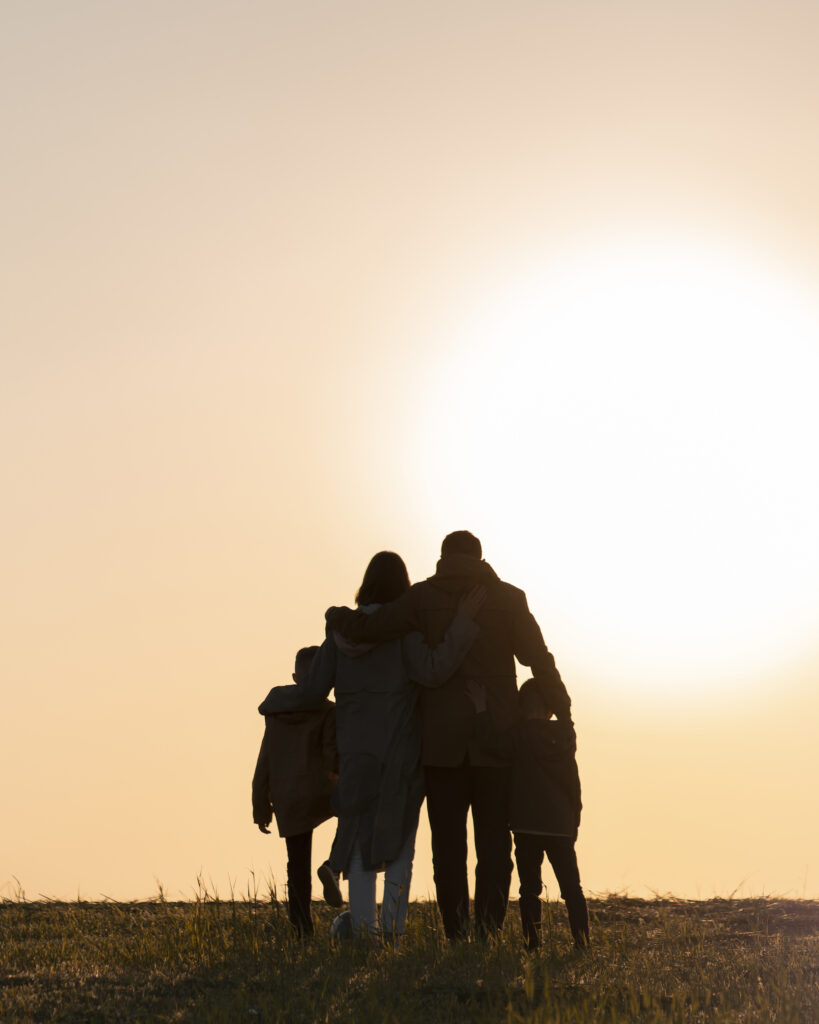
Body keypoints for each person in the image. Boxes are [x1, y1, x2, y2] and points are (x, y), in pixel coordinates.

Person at [326, 530, 571, 939]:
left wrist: (336, 615)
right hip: (496, 743)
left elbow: (370, 628)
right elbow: (539, 661)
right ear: (480, 557)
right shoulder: (509, 599)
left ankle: (456, 933)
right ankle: (487, 932)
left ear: (443, 556)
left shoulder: (422, 597)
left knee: (449, 850)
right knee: (494, 846)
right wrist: (563, 713)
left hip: (440, 748)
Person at [258, 552, 485, 942]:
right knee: (399, 850)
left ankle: (364, 933)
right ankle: (392, 934)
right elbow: (433, 671)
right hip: (400, 753)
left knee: (361, 849)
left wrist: (275, 699)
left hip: (355, 755)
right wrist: (462, 624)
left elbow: (313, 691)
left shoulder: (339, 636)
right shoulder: (403, 634)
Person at [466, 677, 589, 950]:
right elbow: (574, 787)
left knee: (529, 890)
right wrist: (574, 824)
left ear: (521, 708)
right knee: (572, 889)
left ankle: (532, 944)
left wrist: (480, 708)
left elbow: (489, 742)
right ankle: (582, 942)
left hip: (526, 825)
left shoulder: (518, 736)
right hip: (560, 826)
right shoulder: (565, 738)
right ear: (550, 710)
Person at [252, 646, 338, 936]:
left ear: (294, 676)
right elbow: (331, 755)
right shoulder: (327, 711)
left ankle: (302, 928)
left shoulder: (276, 711)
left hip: (287, 797)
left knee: (297, 866)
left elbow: (265, 760)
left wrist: (260, 805)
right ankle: (334, 865)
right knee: (355, 816)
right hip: (320, 792)